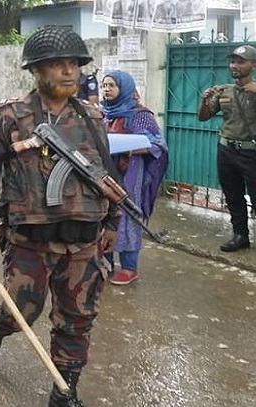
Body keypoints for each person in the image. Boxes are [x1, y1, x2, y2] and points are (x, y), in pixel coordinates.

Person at [0, 27, 120, 407]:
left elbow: (106, 173)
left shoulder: (93, 117)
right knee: (22, 313)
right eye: (57, 65)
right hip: (30, 239)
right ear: (36, 70)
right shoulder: (13, 115)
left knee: (77, 317)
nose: (68, 72)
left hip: (83, 237)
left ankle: (65, 389)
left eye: (73, 65)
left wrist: (112, 221)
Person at [198, 45, 256, 263]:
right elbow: (203, 117)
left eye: (241, 62)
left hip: (252, 153)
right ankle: (240, 235)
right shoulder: (223, 91)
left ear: (254, 65)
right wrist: (204, 100)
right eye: (233, 61)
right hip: (226, 150)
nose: (235, 66)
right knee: (232, 195)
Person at [101, 70, 169, 285]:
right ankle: (105, 261)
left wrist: (129, 148)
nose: (107, 89)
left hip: (129, 174)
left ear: (125, 88)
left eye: (112, 85)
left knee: (127, 215)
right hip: (104, 174)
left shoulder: (140, 115)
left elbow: (158, 144)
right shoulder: (102, 113)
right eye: (104, 85)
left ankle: (130, 268)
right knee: (103, 215)